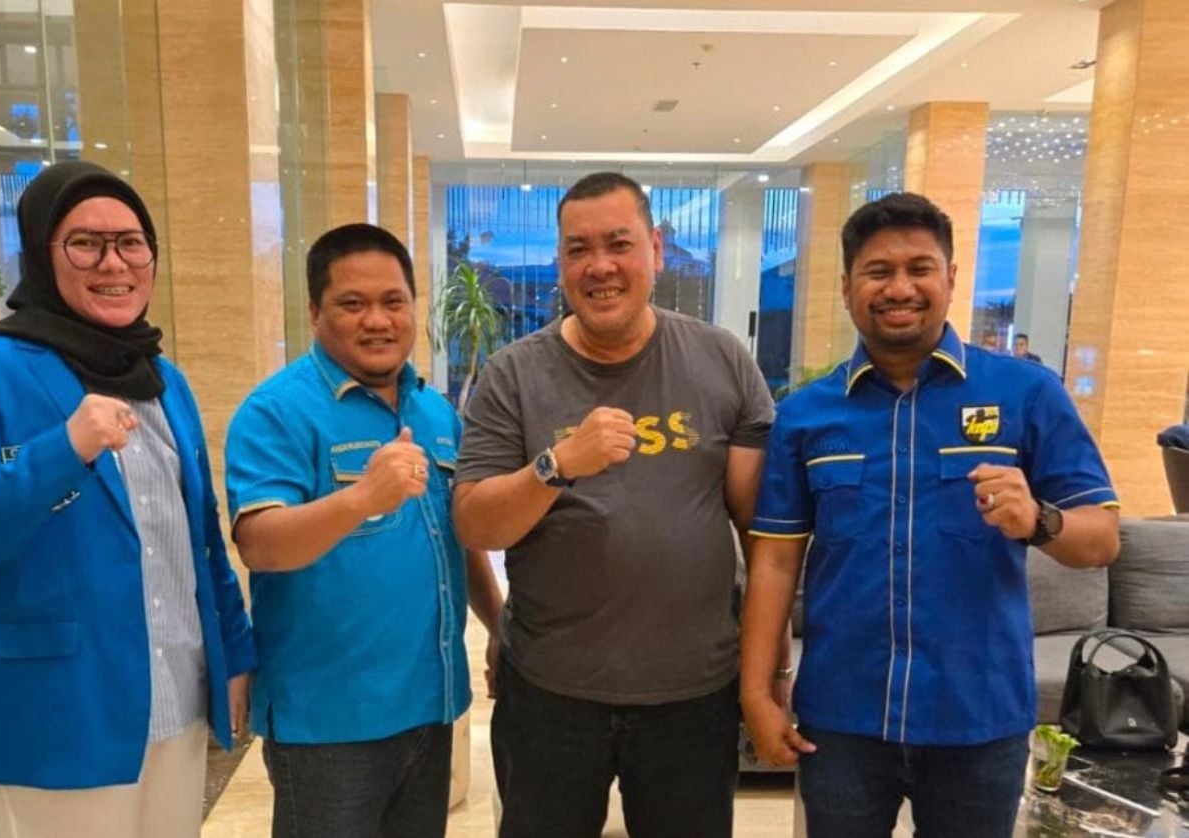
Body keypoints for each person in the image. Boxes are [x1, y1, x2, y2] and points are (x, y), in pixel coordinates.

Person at [740, 191, 1120, 838]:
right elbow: (775, 561)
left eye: (920, 268)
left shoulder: (1027, 394)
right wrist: (757, 693)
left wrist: (1039, 519)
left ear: (950, 277)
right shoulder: (805, 415)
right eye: (878, 271)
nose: (900, 288)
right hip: (843, 717)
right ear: (847, 287)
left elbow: (1101, 540)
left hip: (979, 717)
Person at [0, 160, 256, 838]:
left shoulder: (164, 381)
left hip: (177, 703)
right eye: (85, 244)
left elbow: (201, 541)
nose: (114, 263)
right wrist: (61, 451)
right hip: (55, 721)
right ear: (42, 254)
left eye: (131, 243)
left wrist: (235, 655)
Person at [454, 171, 775, 838]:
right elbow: (476, 522)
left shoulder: (722, 360)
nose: (599, 266)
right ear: (560, 262)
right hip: (550, 695)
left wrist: (769, 670)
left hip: (693, 696)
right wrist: (556, 465)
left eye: (619, 244)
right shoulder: (513, 374)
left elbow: (761, 532)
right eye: (578, 249)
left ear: (655, 248)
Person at [225, 222, 503, 838]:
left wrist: (498, 623)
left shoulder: (434, 411)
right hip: (329, 726)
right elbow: (261, 545)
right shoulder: (276, 411)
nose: (377, 320)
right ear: (315, 312)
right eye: (352, 304)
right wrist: (362, 498)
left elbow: (457, 537)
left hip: (429, 707)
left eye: (393, 301)